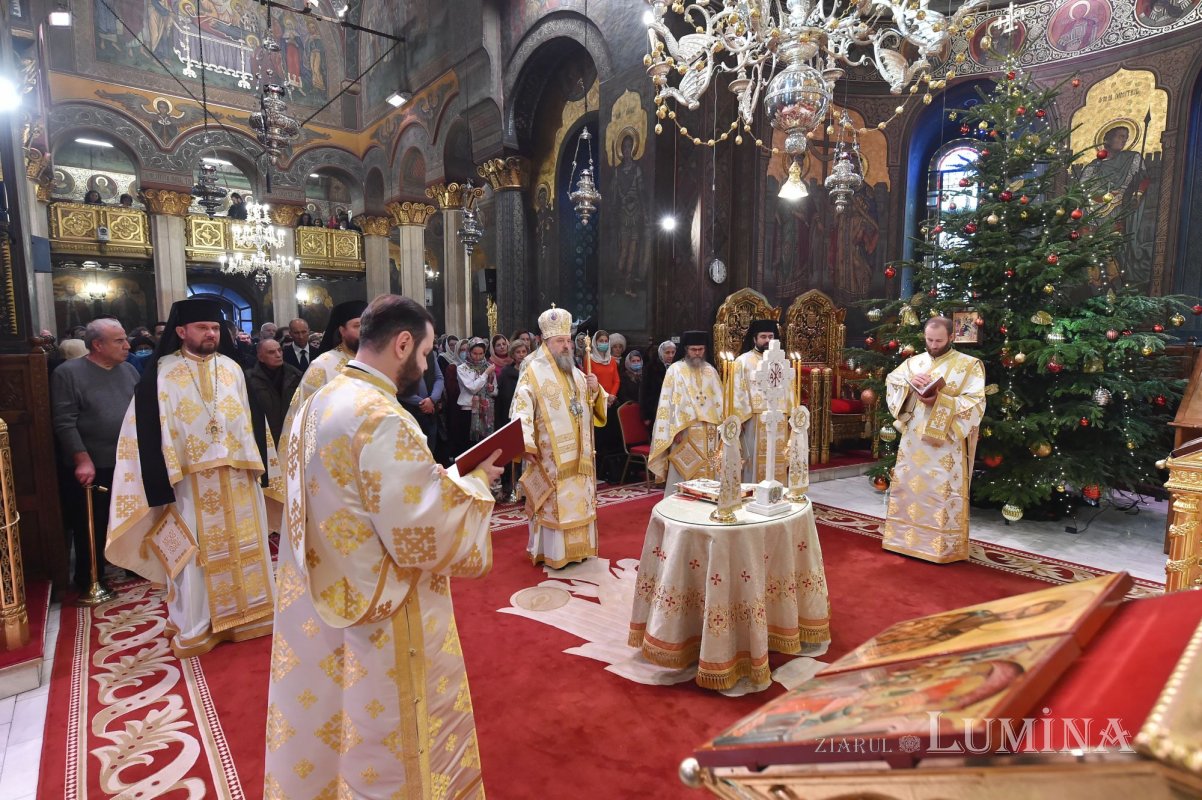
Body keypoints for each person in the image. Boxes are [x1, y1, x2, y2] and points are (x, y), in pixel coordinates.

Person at [263, 295, 504, 799]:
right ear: (402, 343)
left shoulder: (322, 399)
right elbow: (423, 530)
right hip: (386, 602)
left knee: (341, 711)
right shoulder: (380, 416)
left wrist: (439, 479)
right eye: (426, 353)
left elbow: (371, 493)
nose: (426, 366)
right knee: (388, 730)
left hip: (330, 584)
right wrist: (478, 483)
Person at [106, 299, 275, 657]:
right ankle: (197, 624)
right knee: (193, 558)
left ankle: (252, 614)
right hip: (188, 484)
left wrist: (264, 468)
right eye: (203, 328)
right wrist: (157, 482)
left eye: (215, 328)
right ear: (182, 331)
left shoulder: (232, 368)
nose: (211, 334)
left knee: (247, 547)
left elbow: (252, 422)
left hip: (238, 478)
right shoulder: (162, 374)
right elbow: (142, 433)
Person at [883, 316, 986, 564]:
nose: (933, 345)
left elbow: (976, 402)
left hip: (945, 444)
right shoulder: (913, 362)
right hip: (913, 441)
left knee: (939, 494)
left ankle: (938, 547)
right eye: (929, 340)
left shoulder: (969, 365)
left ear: (951, 337)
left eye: (939, 340)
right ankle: (902, 540)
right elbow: (892, 382)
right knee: (908, 489)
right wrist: (909, 387)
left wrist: (939, 400)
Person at [511, 306, 606, 568]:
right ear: (546, 342)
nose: (566, 346)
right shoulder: (532, 369)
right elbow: (520, 408)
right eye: (559, 341)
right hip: (549, 455)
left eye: (567, 340)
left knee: (580, 498)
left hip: (579, 453)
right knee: (553, 501)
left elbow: (588, 403)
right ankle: (551, 553)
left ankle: (579, 550)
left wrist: (596, 390)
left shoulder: (574, 370)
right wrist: (525, 443)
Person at [51, 319, 139, 592]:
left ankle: (133, 564)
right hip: (94, 463)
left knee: (131, 517)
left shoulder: (129, 370)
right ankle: (91, 577)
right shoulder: (69, 373)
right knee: (92, 522)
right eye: (119, 341)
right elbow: (64, 421)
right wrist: (81, 459)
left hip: (129, 460)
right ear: (98, 345)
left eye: (125, 339)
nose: (127, 346)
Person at [278, 301, 366, 462]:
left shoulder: (377, 362)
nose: (365, 331)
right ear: (342, 331)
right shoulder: (323, 365)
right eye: (358, 326)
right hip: (337, 453)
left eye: (369, 324)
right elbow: (302, 414)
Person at [648, 331, 723, 495]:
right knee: (685, 469)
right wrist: (673, 430)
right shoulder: (675, 370)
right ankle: (681, 501)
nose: (697, 353)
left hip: (709, 431)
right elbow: (667, 402)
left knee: (710, 466)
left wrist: (722, 426)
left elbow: (719, 400)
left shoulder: (710, 370)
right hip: (684, 430)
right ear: (686, 349)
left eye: (701, 349)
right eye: (693, 349)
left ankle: (711, 498)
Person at [731, 319, 788, 483]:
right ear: (754, 338)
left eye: (771, 336)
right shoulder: (743, 361)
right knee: (753, 460)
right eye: (763, 337)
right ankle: (752, 492)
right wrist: (739, 417)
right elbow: (737, 389)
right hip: (753, 419)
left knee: (777, 457)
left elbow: (789, 389)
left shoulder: (782, 362)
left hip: (778, 417)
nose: (768, 340)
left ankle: (777, 491)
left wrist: (790, 414)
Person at [245, 339, 302, 449]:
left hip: (290, 432)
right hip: (263, 434)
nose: (278, 355)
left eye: (279, 350)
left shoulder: (295, 375)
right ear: (261, 357)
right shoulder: (249, 379)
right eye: (271, 352)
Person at [585, 330, 623, 481]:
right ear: (595, 342)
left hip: (611, 403)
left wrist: (611, 395)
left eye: (606, 341)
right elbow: (589, 379)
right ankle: (599, 471)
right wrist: (603, 396)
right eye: (601, 341)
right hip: (597, 402)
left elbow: (616, 380)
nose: (604, 343)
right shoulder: (589, 359)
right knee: (599, 438)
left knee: (611, 437)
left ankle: (611, 471)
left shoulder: (612, 360)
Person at [397, 334, 445, 452]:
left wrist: (432, 399)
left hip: (430, 412)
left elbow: (439, 378)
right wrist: (423, 403)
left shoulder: (429, 354)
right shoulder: (398, 356)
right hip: (410, 412)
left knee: (430, 450)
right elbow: (398, 387)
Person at [496, 338, 530, 497]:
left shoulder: (532, 372)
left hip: (528, 419)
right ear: (512, 354)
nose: (521, 355)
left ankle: (527, 488)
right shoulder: (505, 374)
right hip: (509, 418)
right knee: (511, 454)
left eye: (524, 351)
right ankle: (510, 487)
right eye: (518, 352)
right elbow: (502, 399)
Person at [457, 338, 498, 449]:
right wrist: (485, 374)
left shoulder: (488, 366)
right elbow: (473, 388)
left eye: (481, 354)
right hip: (469, 409)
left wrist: (491, 389)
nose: (478, 357)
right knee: (470, 444)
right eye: (475, 353)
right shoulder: (462, 368)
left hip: (486, 409)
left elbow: (495, 391)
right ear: (469, 352)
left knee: (485, 443)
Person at [640, 339, 675, 430]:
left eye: (673, 352)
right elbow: (644, 392)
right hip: (655, 410)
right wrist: (646, 415)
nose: (671, 355)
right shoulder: (651, 368)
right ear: (661, 353)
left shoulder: (678, 367)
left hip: (674, 411)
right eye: (667, 352)